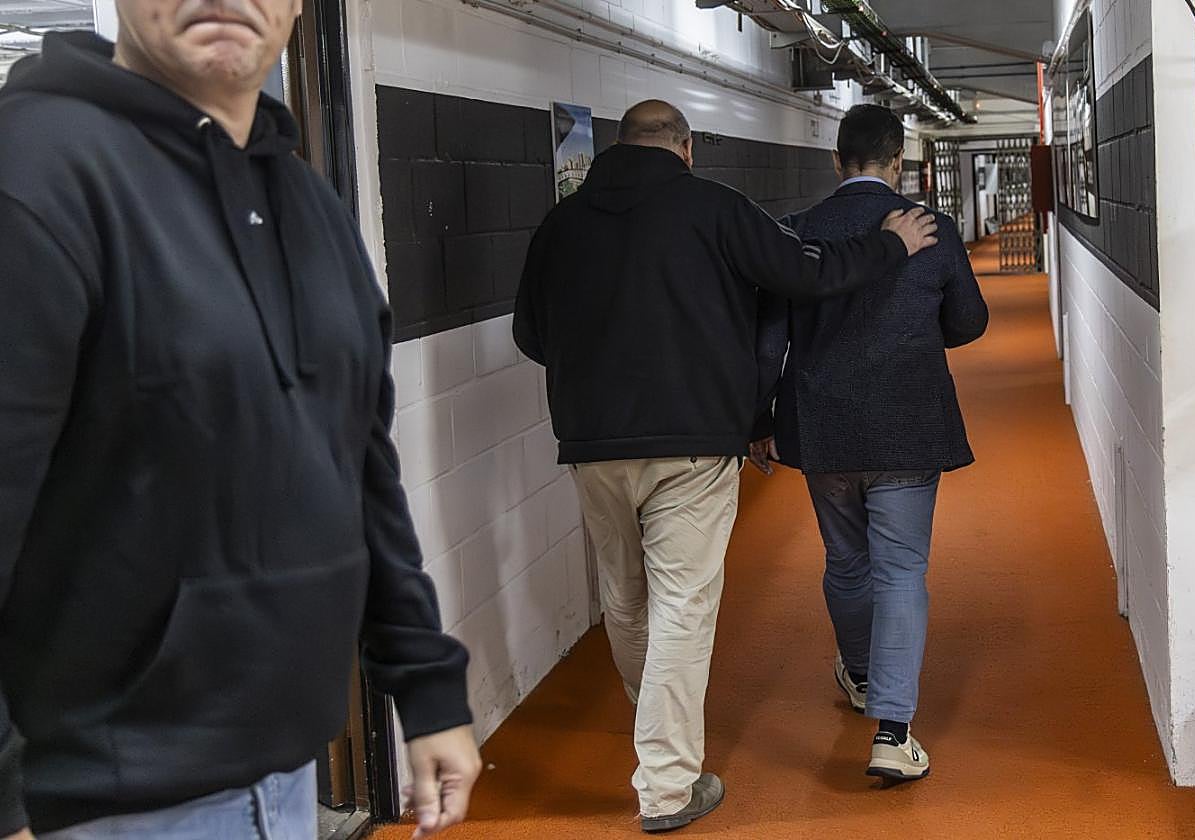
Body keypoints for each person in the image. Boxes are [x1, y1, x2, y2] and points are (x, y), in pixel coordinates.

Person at [0, 3, 481, 838]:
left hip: (284, 775)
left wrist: (426, 683)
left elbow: (361, 468)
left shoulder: (308, 200)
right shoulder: (34, 172)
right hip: (104, 804)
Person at [513, 99, 938, 833]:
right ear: (684, 149)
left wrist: (594, 373)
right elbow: (801, 274)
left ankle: (661, 748)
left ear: (618, 147)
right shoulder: (712, 206)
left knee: (624, 600)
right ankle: (666, 784)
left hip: (591, 445)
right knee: (683, 605)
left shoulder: (562, 223)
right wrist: (889, 248)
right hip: (693, 443)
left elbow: (531, 332)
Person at [750, 103, 989, 784]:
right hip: (908, 424)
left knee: (847, 562)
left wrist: (758, 419)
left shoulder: (796, 232)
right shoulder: (932, 229)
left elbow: (771, 341)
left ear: (836, 160)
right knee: (902, 570)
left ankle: (858, 674)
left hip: (822, 426)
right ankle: (891, 729)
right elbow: (967, 323)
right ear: (897, 161)